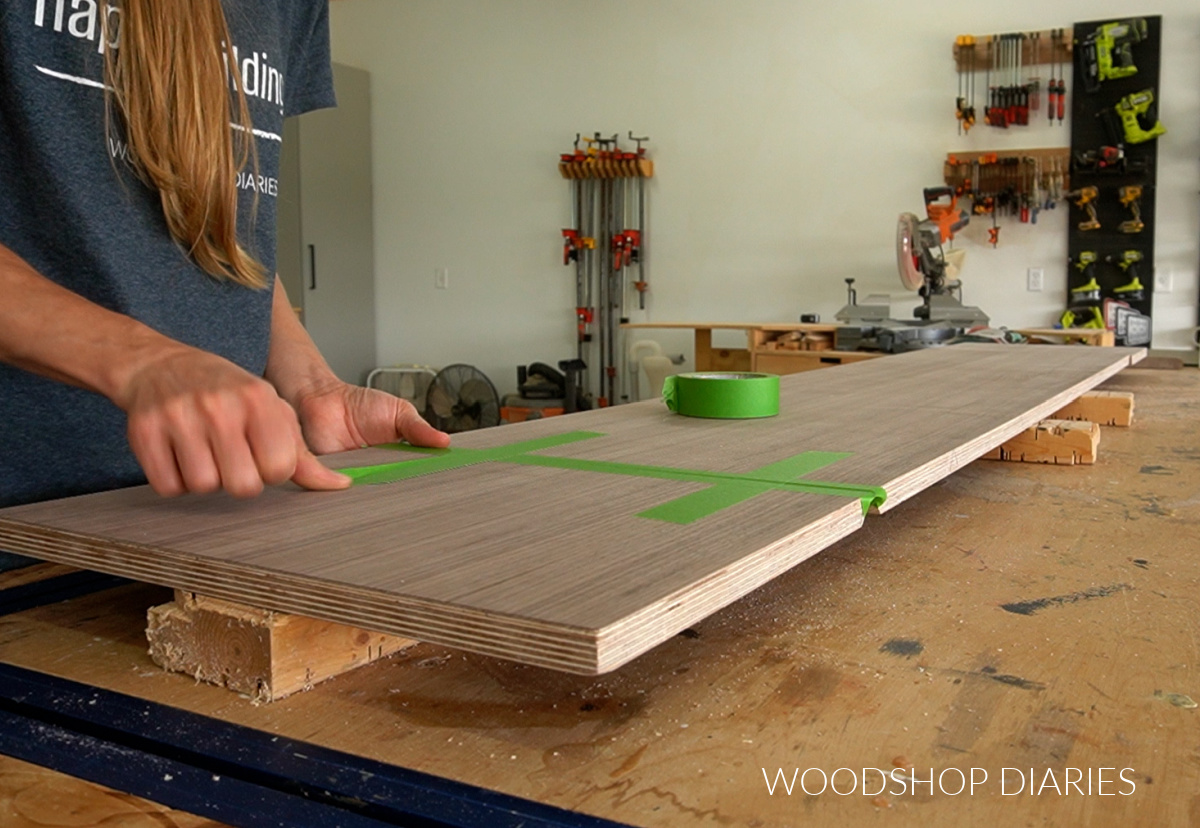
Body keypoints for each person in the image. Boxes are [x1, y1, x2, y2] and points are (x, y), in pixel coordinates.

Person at [0, 0, 448, 510]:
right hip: (29, 526)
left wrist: (312, 386)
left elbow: (232, 238)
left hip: (224, 510)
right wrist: (143, 362)